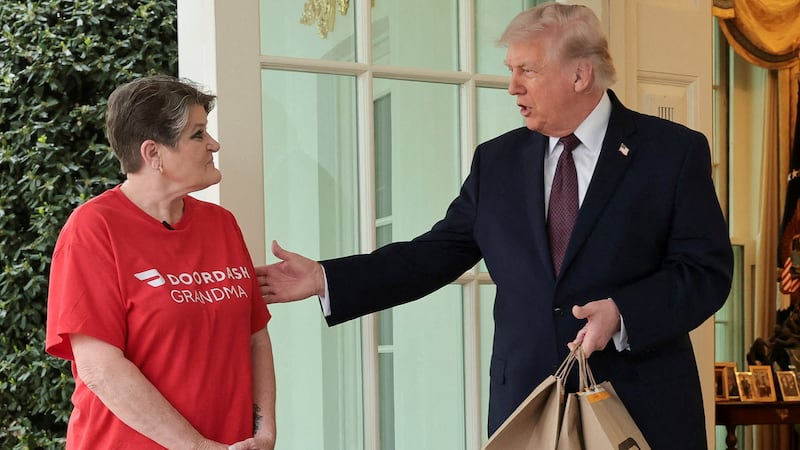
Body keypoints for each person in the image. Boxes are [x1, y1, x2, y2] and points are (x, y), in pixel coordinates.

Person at [257, 3, 732, 449]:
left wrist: (622, 313)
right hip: (524, 405)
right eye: (511, 70)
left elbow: (704, 271)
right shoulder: (498, 160)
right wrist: (326, 277)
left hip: (642, 406)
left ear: (580, 74)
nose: (512, 87)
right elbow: (435, 254)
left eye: (527, 70)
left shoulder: (671, 152)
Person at [46, 75, 276, 450]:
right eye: (198, 134)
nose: (214, 144)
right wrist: (197, 446)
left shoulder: (222, 225)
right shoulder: (93, 229)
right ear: (153, 154)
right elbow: (100, 368)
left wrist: (263, 432)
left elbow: (255, 338)